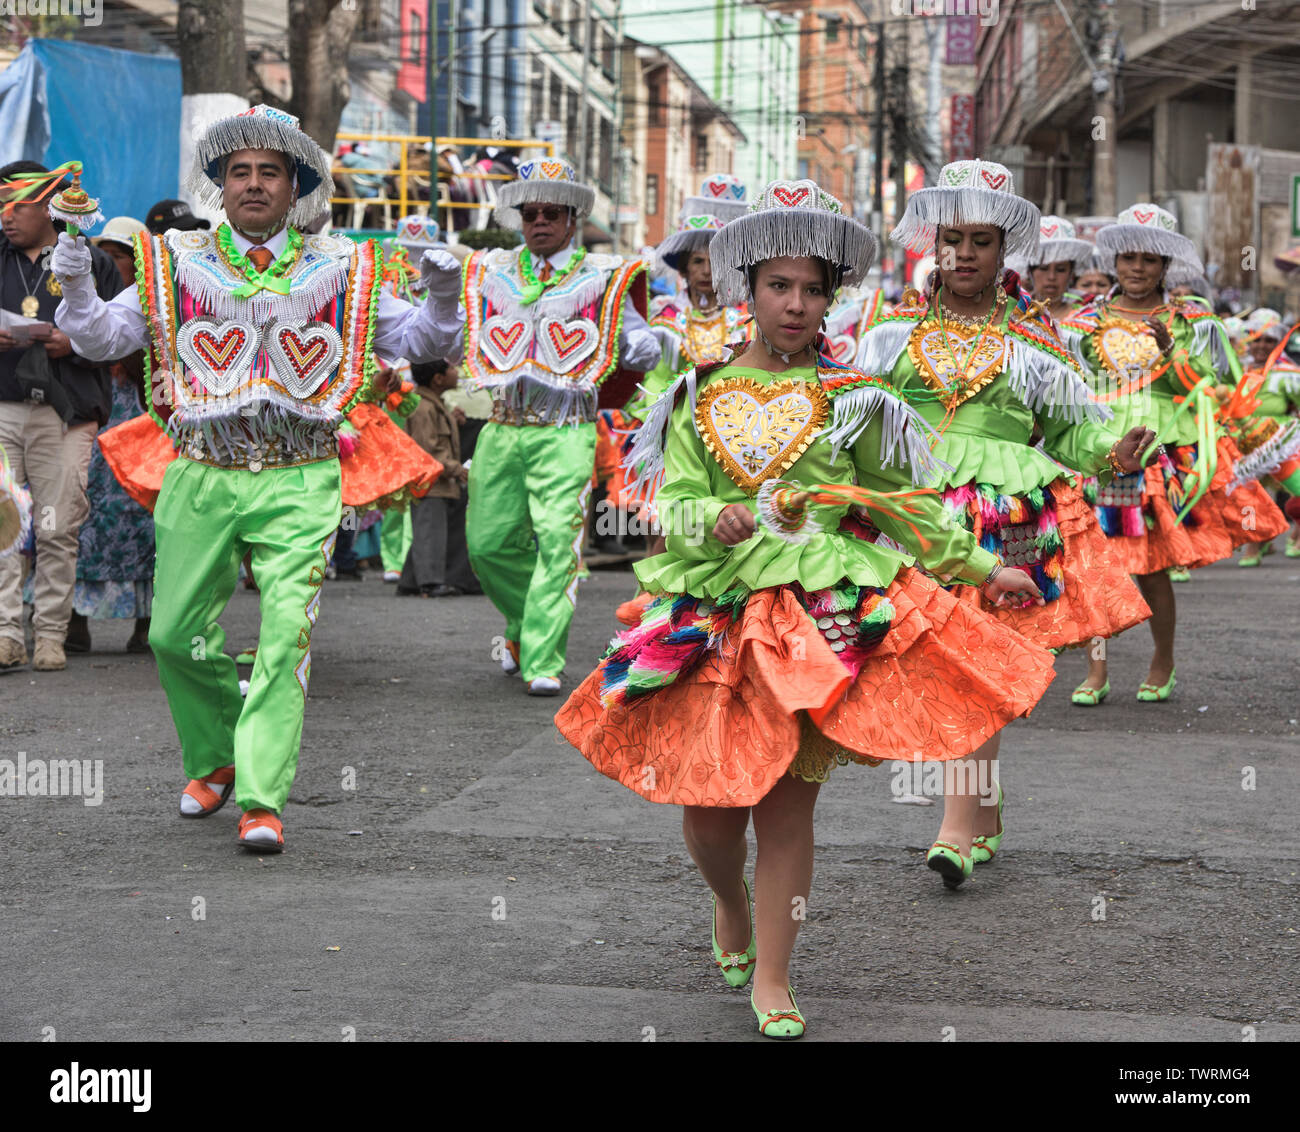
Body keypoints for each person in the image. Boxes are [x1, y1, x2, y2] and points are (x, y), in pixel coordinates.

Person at [556, 180, 1058, 1039]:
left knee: (788, 803)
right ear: (746, 290)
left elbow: (905, 503)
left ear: (831, 298)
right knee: (711, 813)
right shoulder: (696, 394)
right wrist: (712, 515)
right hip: (715, 611)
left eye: (814, 289)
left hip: (819, 618)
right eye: (780, 287)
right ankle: (730, 904)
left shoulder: (858, 397)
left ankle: (778, 979)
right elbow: (665, 502)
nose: (796, 304)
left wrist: (982, 563)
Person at [53, 104, 464, 852]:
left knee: (286, 636)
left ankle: (262, 797)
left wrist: (441, 291)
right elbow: (102, 337)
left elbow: (422, 341)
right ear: (219, 184)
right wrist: (78, 284)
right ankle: (213, 754)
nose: (251, 184)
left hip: (298, 475)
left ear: (294, 184)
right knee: (175, 635)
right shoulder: (175, 260)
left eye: (268, 172)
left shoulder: (343, 265)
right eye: (237, 171)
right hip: (201, 472)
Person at [857, 158, 1155, 878]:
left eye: (981, 240)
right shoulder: (889, 332)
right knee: (937, 661)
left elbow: (1068, 429)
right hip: (917, 515)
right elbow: (858, 424)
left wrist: (1109, 451)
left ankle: (956, 826)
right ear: (934, 242)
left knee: (973, 659)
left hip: (1005, 518)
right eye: (952, 238)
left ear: (1004, 249)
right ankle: (982, 806)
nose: (964, 253)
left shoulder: (1036, 338)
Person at [450, 158, 660, 695]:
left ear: (572, 219)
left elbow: (641, 340)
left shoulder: (603, 276)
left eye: (551, 213)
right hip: (502, 426)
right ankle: (522, 626)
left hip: (567, 428)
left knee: (556, 542)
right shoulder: (492, 271)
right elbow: (458, 333)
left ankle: (542, 656)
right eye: (530, 213)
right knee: (486, 545)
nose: (539, 221)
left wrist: (629, 343)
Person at [1062, 204, 1288, 703]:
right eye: (1128, 258)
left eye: (1148, 259)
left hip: (1158, 455)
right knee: (1093, 564)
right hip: (1099, 451)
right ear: (1114, 262)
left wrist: (1171, 356)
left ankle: (1162, 659)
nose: (1136, 269)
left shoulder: (1193, 321)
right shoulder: (1083, 322)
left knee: (1151, 567)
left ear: (1165, 266)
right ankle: (1096, 670)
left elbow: (1216, 388)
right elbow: (1069, 387)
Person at [0, 161, 123, 671]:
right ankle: (7, 633)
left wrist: (71, 343)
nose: (6, 216)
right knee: (4, 526)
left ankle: (50, 632)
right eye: (1, 205)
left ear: (49, 205)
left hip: (66, 415)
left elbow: (121, 337)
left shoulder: (91, 262)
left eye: (19, 205)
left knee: (54, 525)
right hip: (4, 408)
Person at [65, 216, 154, 653]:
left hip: (143, 424)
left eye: (121, 256)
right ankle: (73, 619)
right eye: (108, 255)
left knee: (146, 522)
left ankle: (147, 623)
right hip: (95, 419)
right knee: (81, 514)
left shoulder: (155, 302)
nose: (111, 264)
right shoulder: (86, 300)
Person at [1222, 311, 1300, 564]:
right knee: (1249, 496)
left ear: (1278, 343)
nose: (1261, 346)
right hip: (1245, 443)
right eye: (1256, 340)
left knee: (1294, 493)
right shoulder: (1236, 371)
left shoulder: (1289, 373)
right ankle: (1255, 544)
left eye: (1268, 340)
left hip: (1283, 442)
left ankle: (1295, 536)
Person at [397, 359, 475, 596]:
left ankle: (410, 581)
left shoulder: (433, 405)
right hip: (430, 483)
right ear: (438, 379)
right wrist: (455, 468)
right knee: (430, 530)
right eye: (451, 368)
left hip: (438, 483)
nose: (456, 372)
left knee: (431, 530)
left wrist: (452, 419)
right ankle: (430, 583)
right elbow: (426, 449)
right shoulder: (423, 407)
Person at [1026, 215, 1094, 322]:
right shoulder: (1012, 315)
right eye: (1044, 268)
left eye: (1061, 269)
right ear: (1029, 272)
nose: (1051, 277)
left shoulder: (1087, 318)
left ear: (1071, 274)